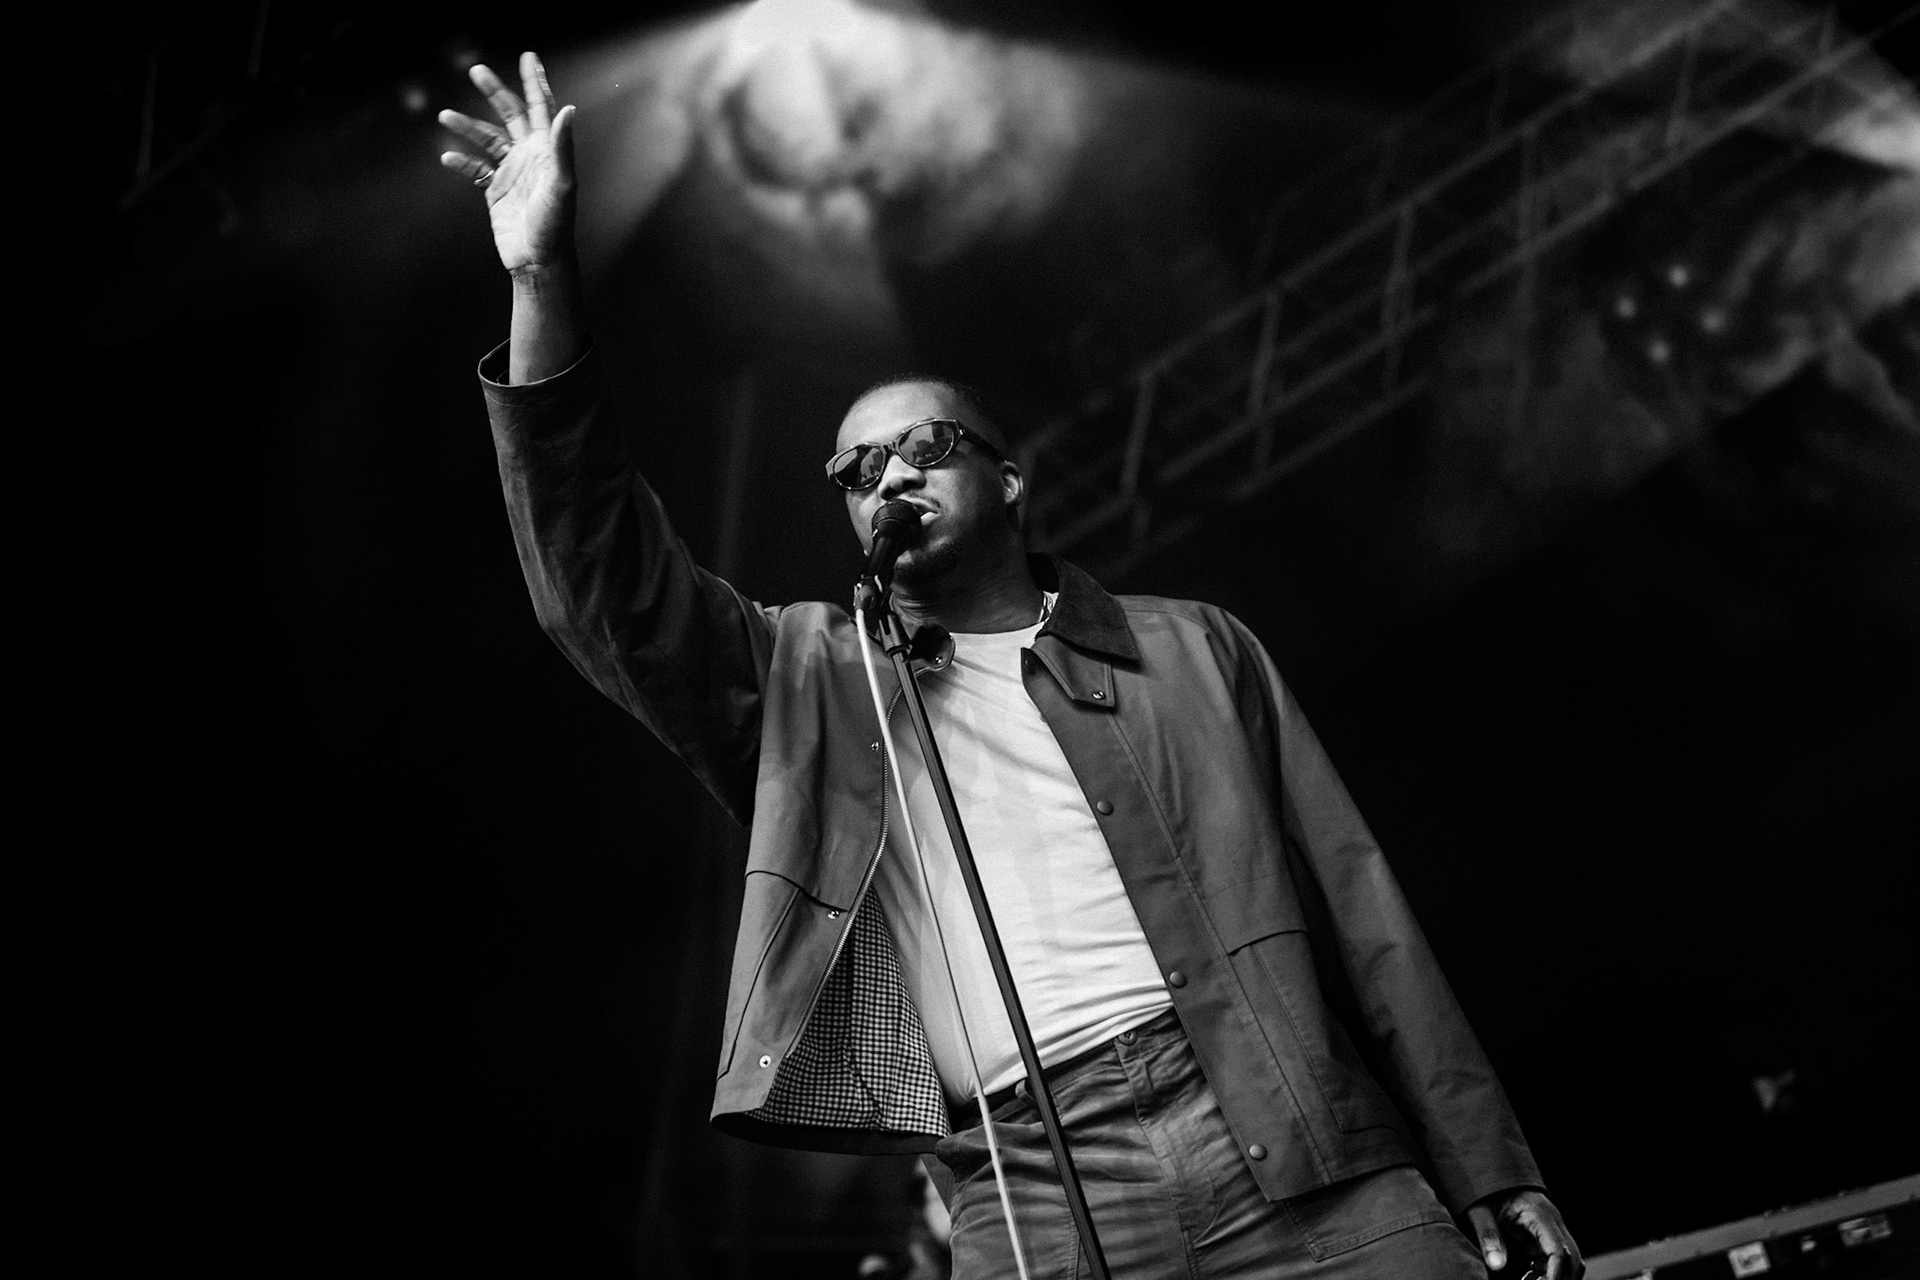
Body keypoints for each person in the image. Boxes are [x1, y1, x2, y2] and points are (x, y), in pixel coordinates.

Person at [441, 52, 1584, 1280]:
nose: (890, 474)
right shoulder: (814, 679)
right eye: (857, 468)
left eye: (925, 444)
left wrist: (1488, 1158)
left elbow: (1365, 913)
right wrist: (542, 279)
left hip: (1291, 1127)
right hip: (1030, 1178)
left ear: (1008, 477)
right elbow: (606, 587)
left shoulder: (1190, 647)